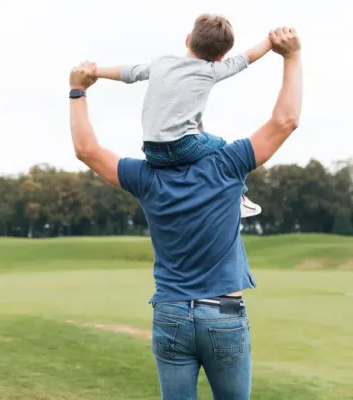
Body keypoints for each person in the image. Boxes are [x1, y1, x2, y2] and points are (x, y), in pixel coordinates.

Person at [68, 26, 302, 399]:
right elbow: (285, 121)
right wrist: (290, 56)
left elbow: (87, 150)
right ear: (198, 130)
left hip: (171, 311)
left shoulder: (146, 177)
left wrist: (77, 90)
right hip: (223, 311)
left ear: (187, 42)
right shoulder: (228, 164)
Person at [92, 14, 274, 218]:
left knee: (199, 129)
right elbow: (245, 59)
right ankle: (240, 198)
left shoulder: (162, 63)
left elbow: (129, 72)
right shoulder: (212, 70)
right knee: (221, 145)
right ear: (221, 56)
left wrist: (95, 71)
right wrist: (270, 41)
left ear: (188, 39)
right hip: (184, 147)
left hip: (152, 151)